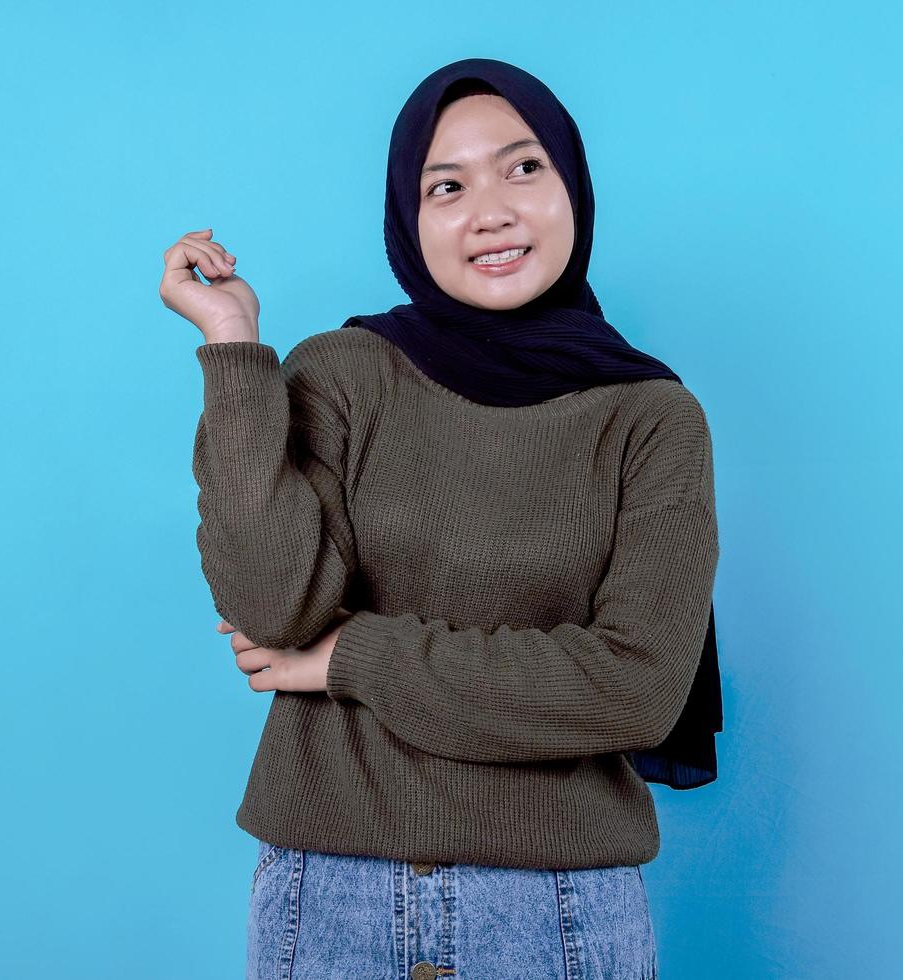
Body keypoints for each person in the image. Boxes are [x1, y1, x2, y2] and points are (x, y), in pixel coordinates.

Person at [159, 57, 719, 980]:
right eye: (447, 185)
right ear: (408, 218)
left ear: (573, 184)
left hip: (561, 912)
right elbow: (272, 606)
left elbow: (637, 689)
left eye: (524, 168)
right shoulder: (341, 373)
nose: (490, 210)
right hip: (330, 899)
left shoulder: (650, 417)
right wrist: (234, 348)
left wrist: (348, 658)